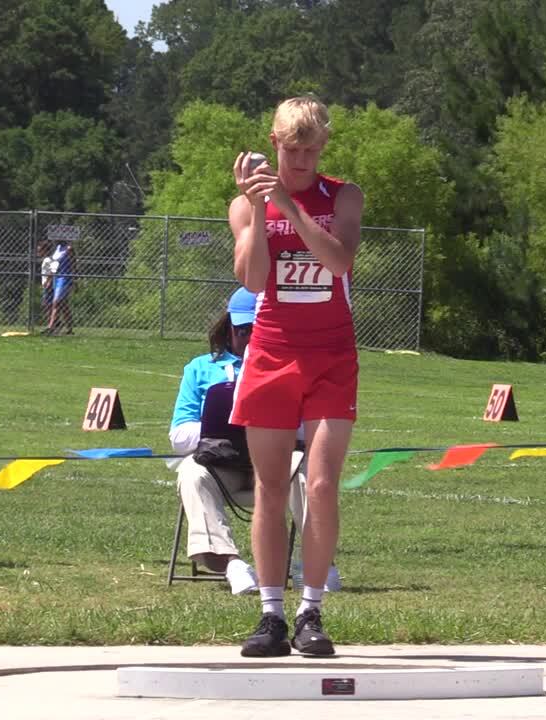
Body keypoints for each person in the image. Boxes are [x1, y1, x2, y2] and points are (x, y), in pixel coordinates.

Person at [228, 96, 364, 657]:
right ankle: (270, 614)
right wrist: (261, 209)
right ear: (275, 142)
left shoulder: (344, 196)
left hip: (331, 354)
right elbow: (253, 280)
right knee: (271, 486)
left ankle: (311, 610)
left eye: (312, 149)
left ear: (323, 146)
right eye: (293, 148)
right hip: (272, 353)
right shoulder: (247, 204)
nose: (303, 158)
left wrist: (289, 201)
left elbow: (338, 262)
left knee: (323, 483)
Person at [169, 288, 343, 595]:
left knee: (308, 467)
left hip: (279, 461)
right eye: (243, 330)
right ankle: (232, 564)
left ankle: (317, 564)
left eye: (257, 330)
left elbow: (310, 431)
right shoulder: (199, 369)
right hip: (224, 464)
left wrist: (268, 430)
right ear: (228, 328)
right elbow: (179, 436)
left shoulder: (298, 368)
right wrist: (224, 426)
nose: (248, 337)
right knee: (191, 472)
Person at [44, 239, 76, 335]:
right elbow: (54, 264)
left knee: (56, 302)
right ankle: (70, 329)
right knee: (64, 304)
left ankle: (51, 327)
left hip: (65, 277)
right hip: (56, 277)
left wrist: (75, 279)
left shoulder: (69, 249)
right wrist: (49, 278)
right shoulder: (57, 249)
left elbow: (74, 264)